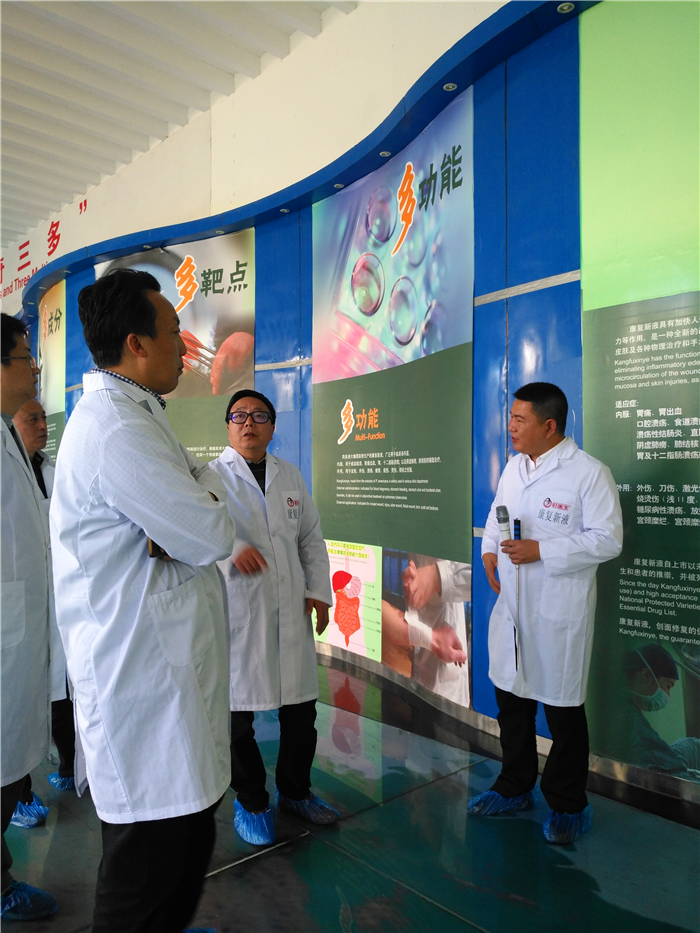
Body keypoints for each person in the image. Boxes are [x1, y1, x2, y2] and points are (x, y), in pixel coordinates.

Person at [50, 270, 236, 931]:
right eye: (174, 331)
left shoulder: (137, 413)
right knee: (143, 878)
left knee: (186, 845)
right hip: (141, 685)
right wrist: (190, 513)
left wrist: (184, 512)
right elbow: (212, 532)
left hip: (166, 679)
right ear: (136, 343)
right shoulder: (115, 430)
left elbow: (204, 491)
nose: (185, 345)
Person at [469, 382, 623, 844]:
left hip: (559, 614)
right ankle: (514, 786)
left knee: (562, 713)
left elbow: (608, 540)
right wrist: (489, 549)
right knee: (512, 704)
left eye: (520, 420)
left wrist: (543, 550)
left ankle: (569, 804)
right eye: (510, 417)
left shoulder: (588, 474)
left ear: (549, 425)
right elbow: (498, 514)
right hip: (514, 609)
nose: (510, 427)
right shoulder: (515, 467)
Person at [210, 389, 337, 846]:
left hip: (290, 608)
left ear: (272, 426)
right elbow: (195, 530)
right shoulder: (212, 477)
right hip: (238, 610)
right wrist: (231, 549)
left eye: (260, 415)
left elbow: (310, 539)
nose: (249, 423)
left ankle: (296, 792)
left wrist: (319, 593)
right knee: (237, 716)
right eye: (239, 416)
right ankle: (251, 800)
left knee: (300, 711)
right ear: (228, 426)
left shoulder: (290, 476)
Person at [0, 313, 57, 921]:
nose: (34, 368)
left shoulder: (6, 435)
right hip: (4, 636)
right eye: (24, 356)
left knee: (9, 764)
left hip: (15, 636)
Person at [13, 399, 77, 796]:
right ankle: (19, 794)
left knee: (62, 692)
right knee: (17, 699)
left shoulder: (55, 472)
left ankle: (69, 766)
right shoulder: (8, 471)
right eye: (32, 419)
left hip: (59, 598)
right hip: (20, 601)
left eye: (43, 419)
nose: (43, 426)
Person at [618, 644, 700, 780]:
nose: (668, 695)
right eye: (668, 686)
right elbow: (671, 776)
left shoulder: (620, 709)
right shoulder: (632, 724)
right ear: (646, 675)